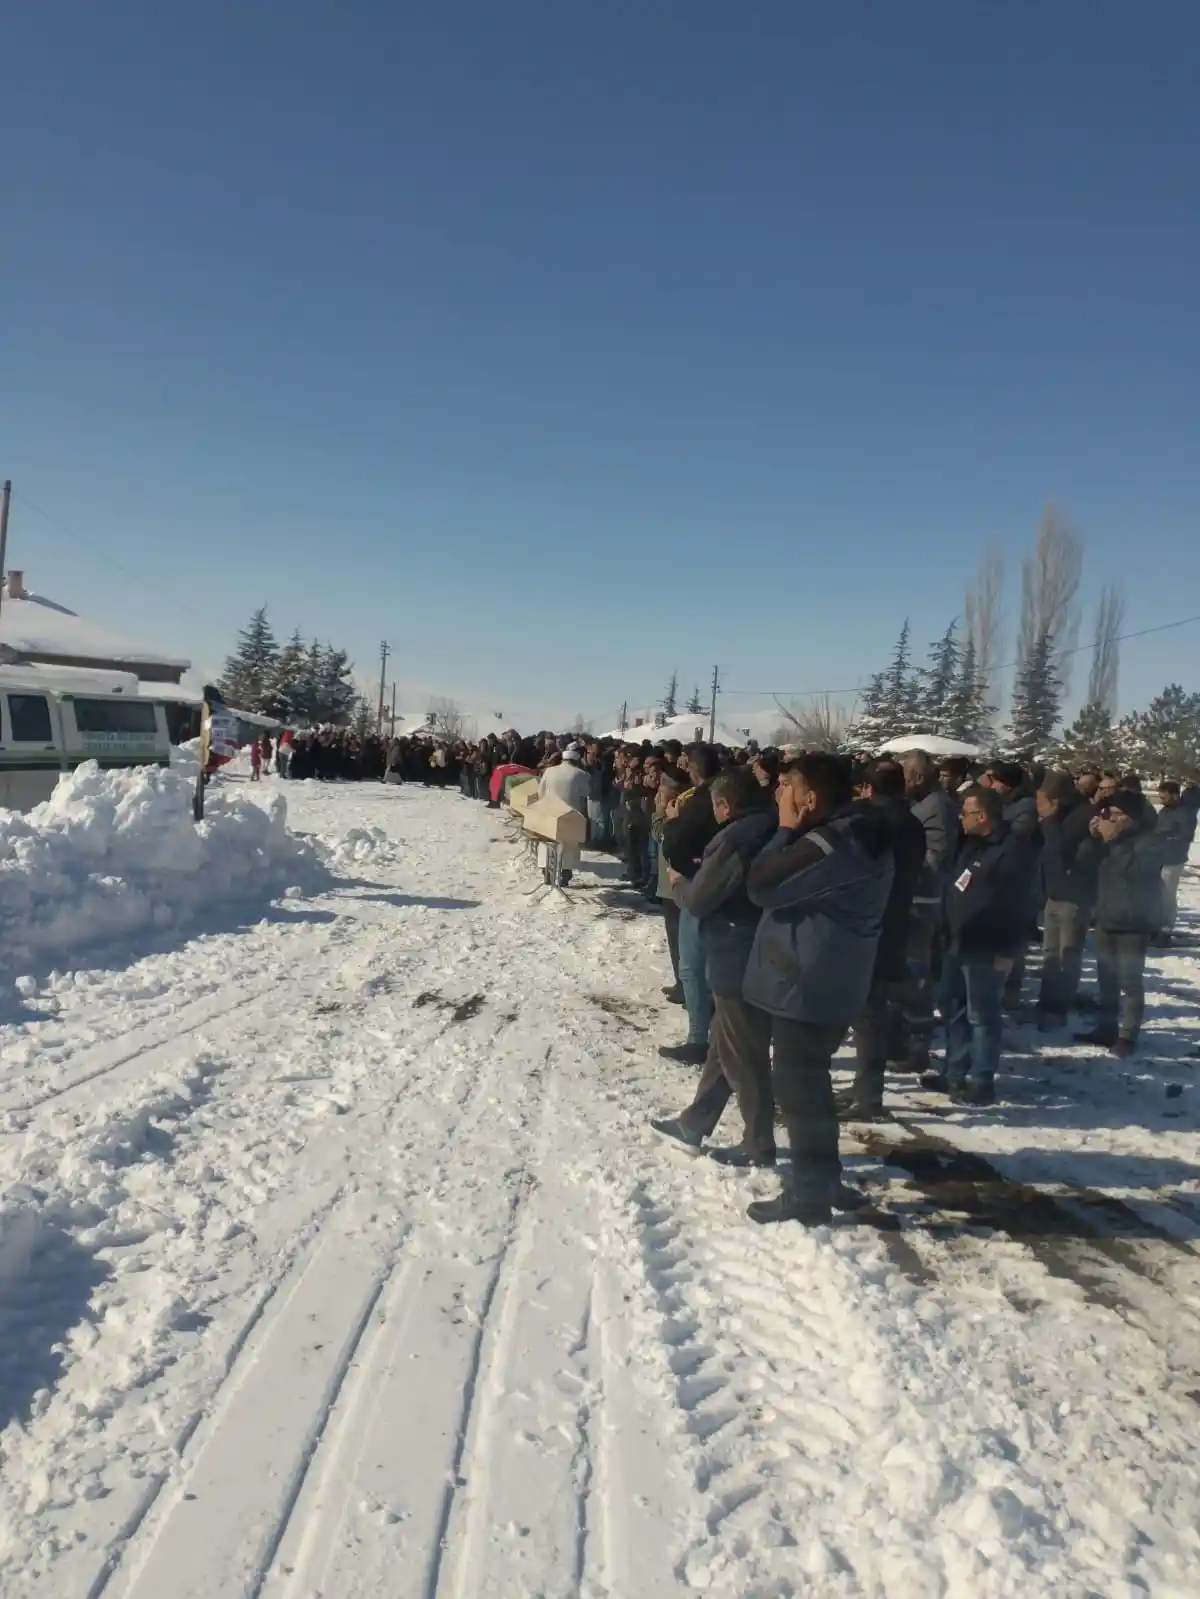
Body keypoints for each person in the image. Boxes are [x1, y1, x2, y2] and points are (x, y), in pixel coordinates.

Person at [741, 754, 894, 1225]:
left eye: (787, 786)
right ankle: (824, 1177)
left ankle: (808, 1196)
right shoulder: (857, 831)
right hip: (828, 979)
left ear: (810, 798)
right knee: (813, 1084)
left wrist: (785, 831)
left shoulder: (833, 842)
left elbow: (762, 885)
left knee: (799, 1091)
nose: (779, 794)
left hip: (808, 985)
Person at [650, 768, 779, 1164]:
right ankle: (695, 1122)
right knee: (726, 1044)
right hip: (755, 946)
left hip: (735, 949)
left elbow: (702, 897)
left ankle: (760, 1144)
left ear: (725, 805)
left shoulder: (735, 838)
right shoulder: (771, 825)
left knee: (745, 1054)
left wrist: (679, 881)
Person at [925, 785, 1035, 1106]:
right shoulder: (971, 844)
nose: (960, 818)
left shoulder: (1013, 849)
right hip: (958, 942)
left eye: (966, 813)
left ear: (983, 816)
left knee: (981, 1015)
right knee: (951, 1008)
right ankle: (953, 1073)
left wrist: (1008, 950)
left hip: (987, 947)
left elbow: (1022, 905)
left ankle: (982, 1080)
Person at [837, 760, 927, 1120]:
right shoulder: (912, 823)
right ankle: (864, 1085)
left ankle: (869, 1094)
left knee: (869, 1015)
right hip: (897, 921)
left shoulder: (875, 823)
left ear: (868, 789)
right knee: (868, 1012)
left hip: (870, 926)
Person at [1074, 792, 1163, 1056]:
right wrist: (1092, 839)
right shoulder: (1109, 842)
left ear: (1130, 818)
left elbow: (1137, 873)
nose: (1108, 819)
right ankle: (1106, 1028)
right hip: (1106, 917)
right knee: (1107, 981)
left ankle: (1128, 1036)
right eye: (1107, 814)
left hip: (1135, 922)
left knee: (1130, 983)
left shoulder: (1150, 842)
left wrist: (1114, 841)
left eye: (1114, 814)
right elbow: (1083, 862)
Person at [899, 750, 961, 1073]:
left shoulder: (936, 809)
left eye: (905, 776)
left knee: (917, 974)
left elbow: (934, 859)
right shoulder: (924, 804)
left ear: (919, 778)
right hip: (913, 899)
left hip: (923, 900)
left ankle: (918, 1045)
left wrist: (898, 859)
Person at [659, 746, 722, 1064]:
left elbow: (674, 844)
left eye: (686, 762)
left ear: (695, 768)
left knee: (692, 968)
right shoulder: (724, 793)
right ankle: (718, 1035)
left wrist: (670, 821)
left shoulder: (699, 803)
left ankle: (700, 1039)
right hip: (723, 888)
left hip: (698, 887)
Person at [1035, 772, 1099, 1028]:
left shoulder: (1082, 815)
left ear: (1057, 799)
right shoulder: (1060, 815)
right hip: (1054, 891)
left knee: (1067, 953)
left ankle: (1059, 1006)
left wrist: (1048, 821)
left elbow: (1059, 849)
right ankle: (1047, 1000)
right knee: (1050, 952)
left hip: (1075, 895)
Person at [653, 768, 691, 1002]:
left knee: (679, 939)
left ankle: (685, 987)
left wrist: (658, 814)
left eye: (662, 788)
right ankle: (682, 983)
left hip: (674, 884)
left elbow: (660, 835)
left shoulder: (677, 813)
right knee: (677, 939)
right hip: (672, 883)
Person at [537, 743, 590, 886]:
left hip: (549, 812)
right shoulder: (580, 774)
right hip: (570, 814)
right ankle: (564, 874)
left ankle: (546, 871)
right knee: (568, 844)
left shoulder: (549, 771)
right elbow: (587, 793)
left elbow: (540, 792)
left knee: (547, 842)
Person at [1154, 781, 1197, 944]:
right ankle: (1156, 925)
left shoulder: (1184, 813)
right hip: (1158, 857)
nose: (1161, 800)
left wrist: (1165, 838)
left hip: (1173, 860)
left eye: (1164, 797)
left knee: (1167, 894)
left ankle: (1165, 929)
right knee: (1157, 894)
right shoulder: (1165, 811)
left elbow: (1185, 836)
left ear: (1174, 795)